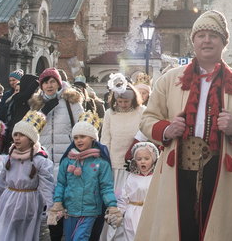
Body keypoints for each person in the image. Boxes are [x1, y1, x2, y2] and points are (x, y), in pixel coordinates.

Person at [136, 10, 232, 240]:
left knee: (217, 231)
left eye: (213, 35)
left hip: (222, 170)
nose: (206, 40)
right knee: (179, 229)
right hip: (177, 167)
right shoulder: (170, 79)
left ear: (223, 43)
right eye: (201, 35)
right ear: (194, 41)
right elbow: (147, 119)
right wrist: (166, 129)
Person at [0, 111, 56, 240]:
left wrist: (52, 208)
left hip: (29, 204)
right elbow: (1, 182)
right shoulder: (10, 158)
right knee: (6, 234)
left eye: (22, 135)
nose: (17, 138)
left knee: (25, 235)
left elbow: (47, 186)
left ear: (31, 139)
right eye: (15, 134)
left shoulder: (40, 161)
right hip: (9, 202)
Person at [48, 111, 120, 241]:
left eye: (83, 136)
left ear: (92, 138)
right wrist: (58, 202)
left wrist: (112, 206)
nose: (78, 140)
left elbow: (106, 187)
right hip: (70, 210)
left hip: (90, 211)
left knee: (80, 238)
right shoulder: (67, 161)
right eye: (75, 137)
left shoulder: (101, 163)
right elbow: (61, 183)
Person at [31, 67, 84, 241]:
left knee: (67, 205)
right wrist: (43, 113)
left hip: (67, 162)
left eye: (52, 81)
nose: (49, 85)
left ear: (59, 83)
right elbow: (30, 131)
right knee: (52, 208)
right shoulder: (37, 104)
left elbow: (82, 129)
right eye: (45, 82)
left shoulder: (71, 102)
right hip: (45, 164)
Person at [100, 75, 145, 240]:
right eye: (120, 101)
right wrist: (106, 162)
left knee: (133, 200)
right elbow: (105, 140)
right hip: (116, 166)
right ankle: (113, 234)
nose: (123, 104)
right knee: (116, 200)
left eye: (126, 102)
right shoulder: (109, 114)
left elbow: (144, 133)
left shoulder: (142, 111)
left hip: (136, 164)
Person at [117, 142, 159, 241]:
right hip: (132, 214)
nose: (142, 162)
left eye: (146, 159)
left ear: (153, 160)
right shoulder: (131, 177)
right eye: (139, 159)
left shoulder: (157, 177)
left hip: (149, 213)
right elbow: (124, 196)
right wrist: (118, 212)